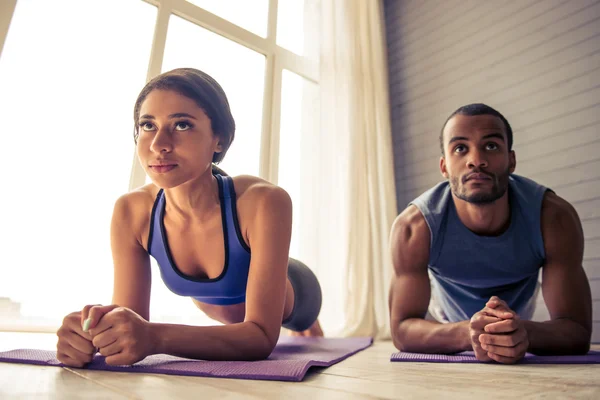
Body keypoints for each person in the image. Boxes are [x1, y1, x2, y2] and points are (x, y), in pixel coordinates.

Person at [56, 68, 323, 367]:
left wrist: (155, 337)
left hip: (297, 292)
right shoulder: (131, 211)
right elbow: (129, 324)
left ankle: (310, 326)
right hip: (221, 309)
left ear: (219, 139)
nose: (158, 145)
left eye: (181, 125)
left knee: (307, 334)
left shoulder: (263, 201)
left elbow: (260, 337)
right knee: (232, 317)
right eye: (148, 125)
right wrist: (92, 333)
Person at [388, 103, 592, 364]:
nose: (476, 160)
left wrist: (524, 332)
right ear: (444, 167)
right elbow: (402, 329)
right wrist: (466, 333)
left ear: (512, 160)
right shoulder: (413, 227)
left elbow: (576, 330)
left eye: (492, 146)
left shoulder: (554, 218)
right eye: (460, 148)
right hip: (446, 317)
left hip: (518, 314)